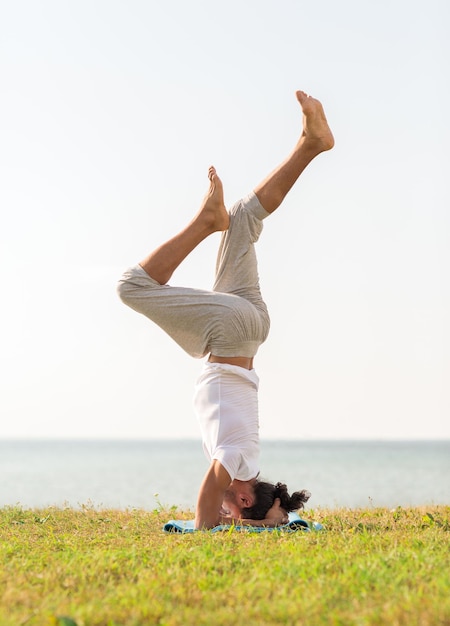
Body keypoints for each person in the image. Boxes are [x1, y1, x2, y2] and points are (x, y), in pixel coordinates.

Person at [117, 90, 334, 529]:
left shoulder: (248, 457)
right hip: (232, 331)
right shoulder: (236, 462)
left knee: (243, 219)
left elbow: (237, 501)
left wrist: (275, 519)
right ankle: (204, 223)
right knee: (131, 287)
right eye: (233, 512)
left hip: (251, 328)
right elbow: (210, 491)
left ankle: (311, 144)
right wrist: (203, 531)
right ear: (242, 494)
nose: (226, 515)